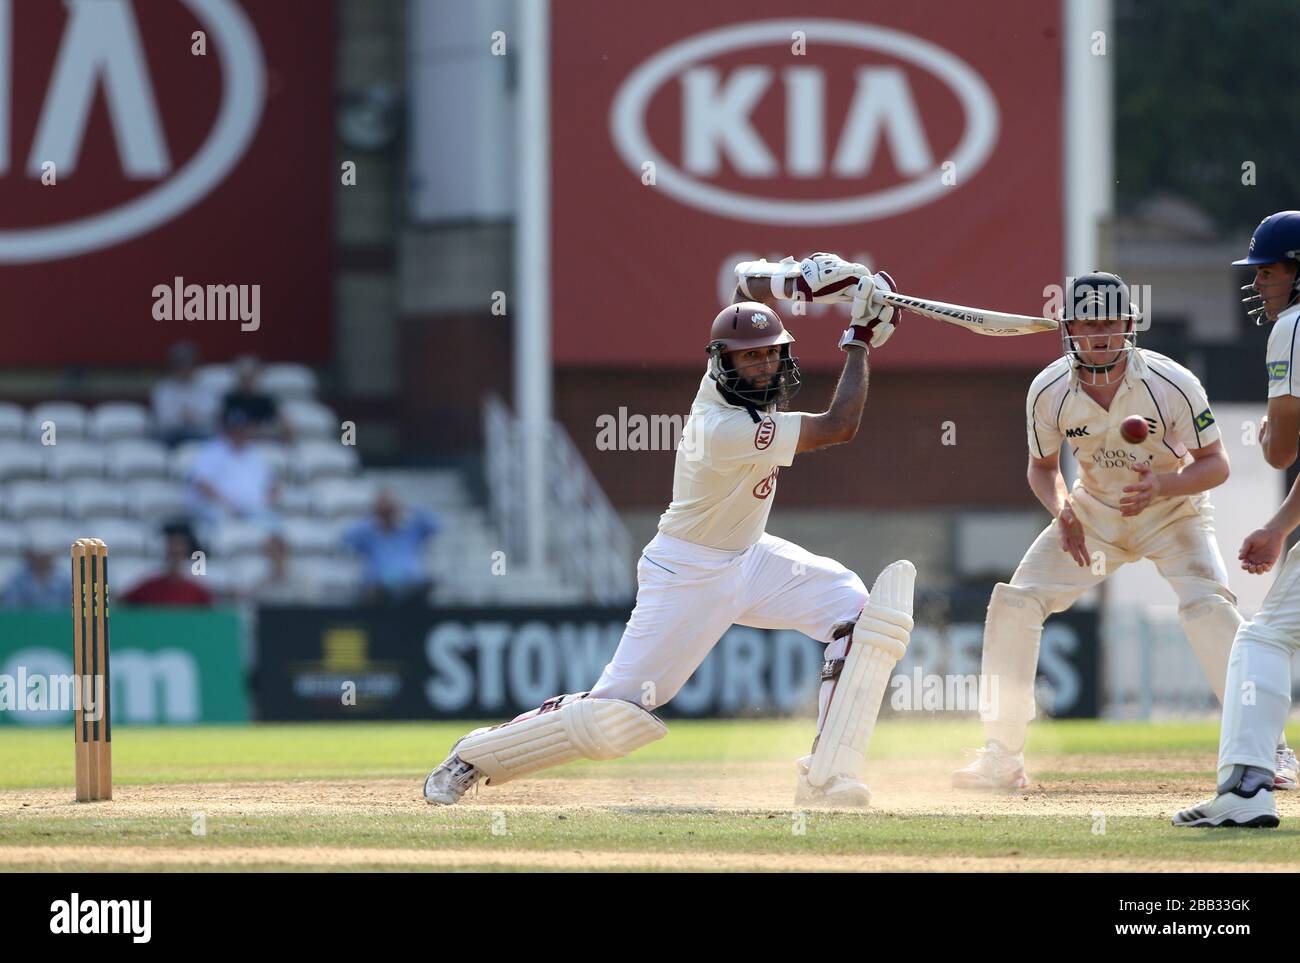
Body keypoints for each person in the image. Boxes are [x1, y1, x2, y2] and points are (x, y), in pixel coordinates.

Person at [423, 252, 916, 807]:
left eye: (770, 356)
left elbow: (742, 282)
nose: (760, 368)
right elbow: (840, 427)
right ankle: (475, 754)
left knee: (857, 611)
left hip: (751, 557)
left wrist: (797, 279)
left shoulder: (731, 377)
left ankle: (827, 775)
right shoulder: (722, 425)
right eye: (747, 359)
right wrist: (858, 337)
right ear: (722, 366)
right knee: (615, 715)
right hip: (689, 570)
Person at [952, 272, 1295, 792]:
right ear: (1069, 328)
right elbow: (1042, 467)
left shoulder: (1171, 382)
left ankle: (1269, 751)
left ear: (1130, 324)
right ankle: (1002, 757)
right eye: (1088, 324)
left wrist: (1163, 485)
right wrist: (1063, 509)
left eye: (1111, 322)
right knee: (1016, 602)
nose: (1101, 336)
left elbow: (1216, 465)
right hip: (1093, 515)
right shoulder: (1047, 389)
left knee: (1208, 609)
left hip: (1173, 513)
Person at [1175, 211, 1300, 828]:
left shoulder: (1294, 328)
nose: (1261, 284)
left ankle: (1247, 789)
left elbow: (1280, 451)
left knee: (1262, 638)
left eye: (1270, 271)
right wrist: (1279, 527)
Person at [187, 408, 279, 530]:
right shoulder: (212, 451)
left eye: (242, 429)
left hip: (254, 511)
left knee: (276, 526)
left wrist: (264, 503)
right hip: (221, 510)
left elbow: (273, 484)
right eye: (235, 429)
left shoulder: (256, 454)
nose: (239, 433)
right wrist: (227, 505)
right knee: (221, 523)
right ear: (227, 430)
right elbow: (200, 483)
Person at [340, 492, 438, 604]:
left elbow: (434, 525)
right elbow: (345, 539)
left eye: (390, 507)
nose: (388, 512)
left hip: (412, 586)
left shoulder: (411, 531)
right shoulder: (368, 534)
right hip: (379, 590)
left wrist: (407, 508)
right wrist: (371, 515)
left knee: (423, 586)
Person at [121, 522, 213, 606]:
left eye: (180, 547)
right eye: (171, 547)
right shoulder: (148, 588)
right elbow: (123, 606)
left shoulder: (198, 593)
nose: (175, 551)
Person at [151, 342, 219, 446]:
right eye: (181, 365)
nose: (185, 369)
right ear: (174, 367)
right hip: (172, 435)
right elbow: (164, 418)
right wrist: (185, 417)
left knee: (214, 437)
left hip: (200, 432)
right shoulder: (163, 389)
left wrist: (191, 416)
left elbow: (211, 414)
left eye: (189, 364)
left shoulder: (206, 387)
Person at [1, 545, 72, 609]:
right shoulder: (16, 580)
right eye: (39, 557)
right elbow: (11, 610)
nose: (42, 561)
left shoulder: (65, 580)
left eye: (45, 557)